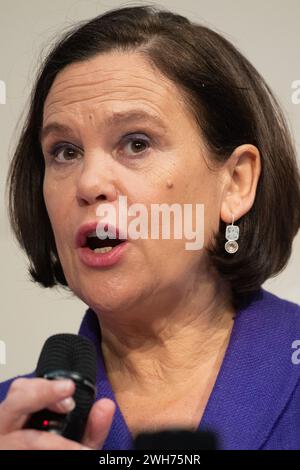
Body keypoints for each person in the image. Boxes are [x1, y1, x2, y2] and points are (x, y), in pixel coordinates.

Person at [1, 5, 300, 450]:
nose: (88, 184)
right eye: (64, 151)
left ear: (236, 183)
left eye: (136, 143)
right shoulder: (13, 423)